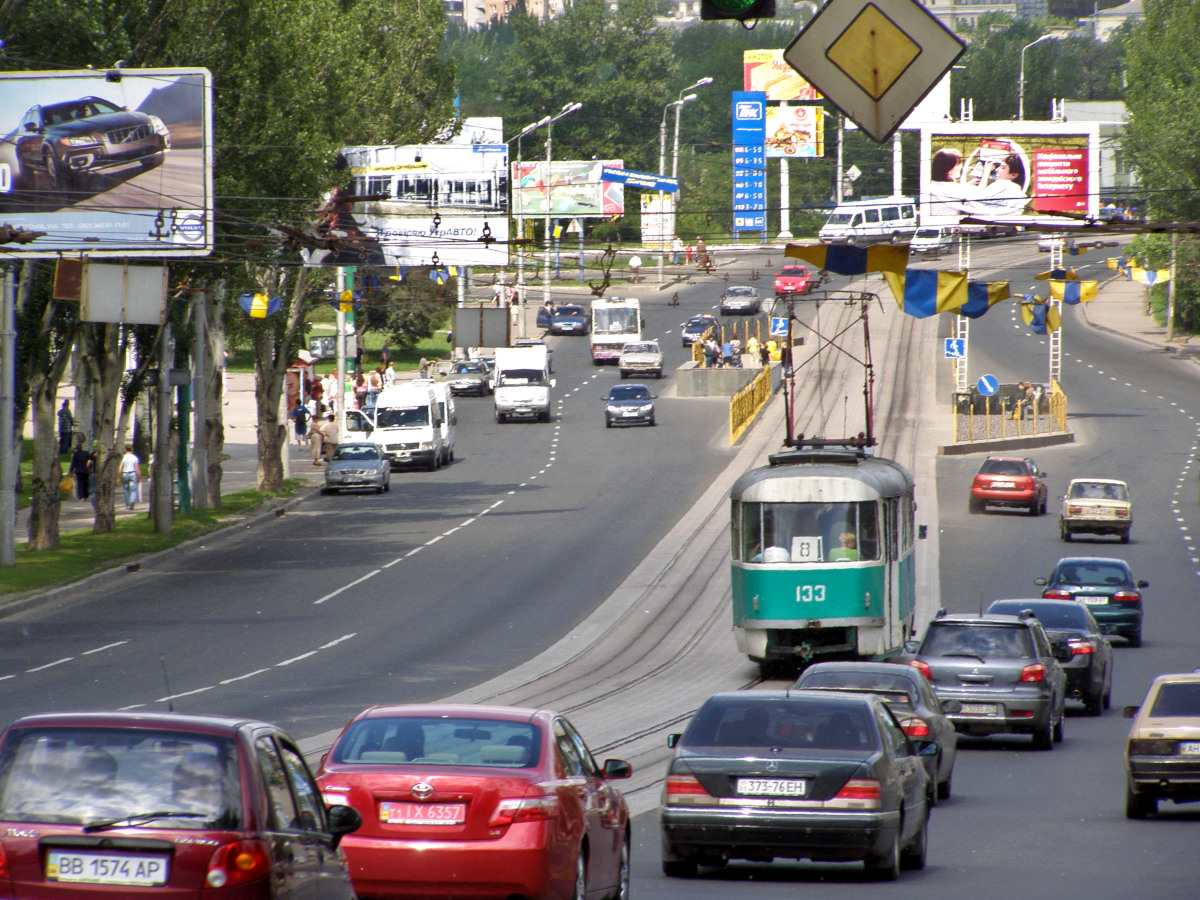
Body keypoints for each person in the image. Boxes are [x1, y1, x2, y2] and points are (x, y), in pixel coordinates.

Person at [966, 153, 1030, 217]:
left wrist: (986, 171)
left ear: (1013, 175)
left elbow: (977, 199)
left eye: (1002, 168)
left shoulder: (1003, 185)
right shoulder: (1017, 191)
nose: (997, 170)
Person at [927, 147, 968, 216]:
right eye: (957, 164)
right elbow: (979, 195)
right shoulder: (953, 188)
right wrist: (986, 171)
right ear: (948, 167)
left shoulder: (933, 184)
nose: (960, 167)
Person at [120, 444, 141, 510]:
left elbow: (120, 467)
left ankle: (128, 505)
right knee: (134, 490)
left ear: (125, 449)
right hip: (133, 474)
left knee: (126, 490)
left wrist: (118, 477)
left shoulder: (124, 457)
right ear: (131, 449)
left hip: (125, 474)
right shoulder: (134, 457)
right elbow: (137, 468)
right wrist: (139, 477)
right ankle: (132, 501)